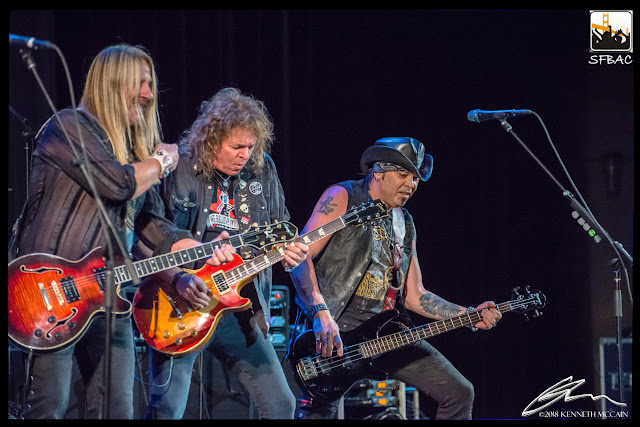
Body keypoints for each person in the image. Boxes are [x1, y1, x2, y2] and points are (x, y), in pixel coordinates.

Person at [11, 44, 235, 419]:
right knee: (49, 406)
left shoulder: (131, 153)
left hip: (108, 295)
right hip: (45, 294)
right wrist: (162, 160)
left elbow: (150, 224)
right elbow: (116, 185)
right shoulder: (68, 127)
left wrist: (200, 251)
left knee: (119, 409)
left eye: (151, 84)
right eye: (141, 84)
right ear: (113, 84)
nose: (149, 95)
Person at [289, 137, 502, 420]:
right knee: (318, 410)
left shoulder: (406, 223)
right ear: (378, 172)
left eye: (415, 178)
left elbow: (416, 296)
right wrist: (320, 311)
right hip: (335, 332)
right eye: (403, 175)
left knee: (459, 393)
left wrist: (468, 314)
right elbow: (299, 255)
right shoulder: (343, 196)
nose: (411, 185)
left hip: (385, 334)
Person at [139, 87, 308, 419]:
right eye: (236, 147)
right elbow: (145, 237)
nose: (245, 155)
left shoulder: (262, 169)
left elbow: (282, 227)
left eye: (251, 146)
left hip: (237, 306)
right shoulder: (180, 167)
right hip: (179, 303)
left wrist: (291, 251)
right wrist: (179, 278)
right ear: (212, 140)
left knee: (281, 405)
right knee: (168, 408)